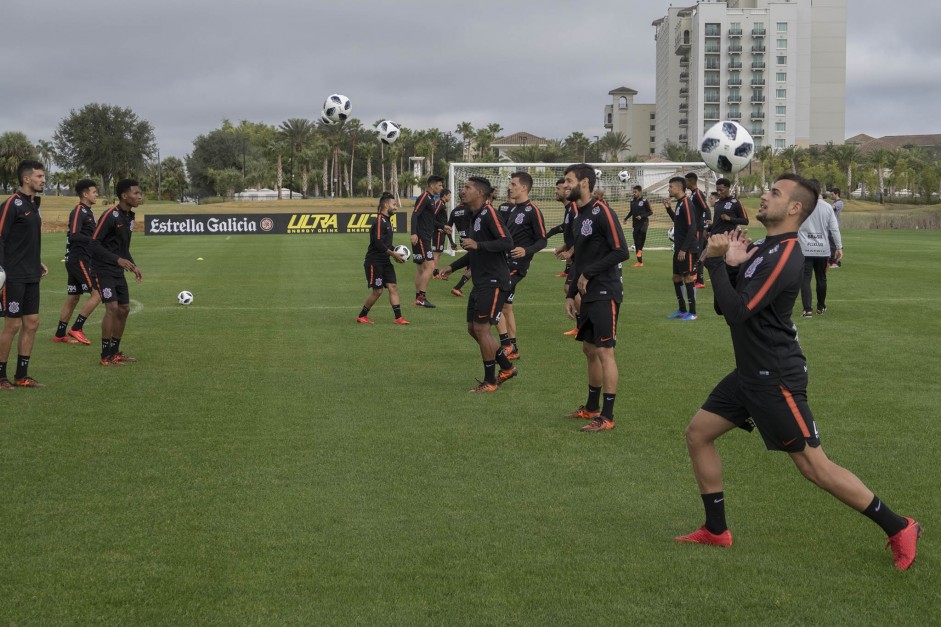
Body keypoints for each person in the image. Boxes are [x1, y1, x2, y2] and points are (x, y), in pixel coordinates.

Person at [676, 173, 921, 571]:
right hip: (748, 373)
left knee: (814, 467)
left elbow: (737, 314)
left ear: (793, 208)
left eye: (774, 192)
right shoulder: (760, 248)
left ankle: (899, 526)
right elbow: (729, 306)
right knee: (698, 434)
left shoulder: (787, 253)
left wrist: (719, 263)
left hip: (775, 377)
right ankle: (716, 530)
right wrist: (733, 268)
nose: (764, 196)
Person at [562, 164, 630, 432]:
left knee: (604, 351)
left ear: (585, 182)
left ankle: (607, 415)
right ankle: (591, 408)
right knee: (589, 349)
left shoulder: (603, 212)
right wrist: (571, 293)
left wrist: (589, 274)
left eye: (569, 181)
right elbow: (579, 257)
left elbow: (621, 250)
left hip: (605, 291)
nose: (566, 185)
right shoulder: (579, 215)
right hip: (587, 294)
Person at [438, 176, 517, 393]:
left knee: (482, 329)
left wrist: (478, 244)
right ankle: (507, 368)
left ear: (480, 193)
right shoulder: (475, 216)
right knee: (473, 329)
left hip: (494, 281)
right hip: (481, 281)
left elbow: (507, 242)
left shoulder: (490, 213)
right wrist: (452, 267)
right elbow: (474, 250)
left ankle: (490, 381)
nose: (463, 191)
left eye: (467, 187)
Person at [53, 179, 135, 345]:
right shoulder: (79, 211)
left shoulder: (88, 212)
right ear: (85, 194)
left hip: (77, 259)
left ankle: (60, 334)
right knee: (97, 293)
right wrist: (94, 240)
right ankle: (77, 328)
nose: (96, 194)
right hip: (80, 259)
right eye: (94, 192)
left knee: (73, 297)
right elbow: (74, 234)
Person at [0, 160, 49, 389]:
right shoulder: (12, 203)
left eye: (43, 176)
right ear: (26, 179)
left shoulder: (33, 205)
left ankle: (21, 376)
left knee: (32, 322)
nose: (43, 180)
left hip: (31, 274)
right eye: (39, 176)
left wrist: (37, 262)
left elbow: (24, 240)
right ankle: (1, 377)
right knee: (12, 325)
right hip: (13, 276)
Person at [495, 172, 547, 361]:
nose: (510, 187)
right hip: (506, 262)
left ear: (524, 187)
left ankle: (505, 345)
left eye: (513, 184)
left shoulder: (533, 210)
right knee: (507, 307)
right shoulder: (513, 209)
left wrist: (526, 251)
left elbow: (543, 240)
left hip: (517, 265)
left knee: (496, 305)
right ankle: (513, 348)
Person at [93, 178, 144, 366]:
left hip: (118, 269)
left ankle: (115, 352)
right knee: (112, 308)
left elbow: (122, 248)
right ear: (124, 196)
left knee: (124, 309)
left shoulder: (130, 217)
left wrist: (133, 265)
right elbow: (94, 244)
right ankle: (105, 355)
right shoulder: (110, 215)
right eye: (136, 193)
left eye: (140, 193)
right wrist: (117, 260)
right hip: (103, 268)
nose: (140, 196)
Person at [357, 192, 410, 325]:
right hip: (374, 262)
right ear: (386, 205)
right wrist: (394, 254)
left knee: (393, 286)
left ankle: (398, 318)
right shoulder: (380, 220)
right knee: (378, 291)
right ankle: (362, 316)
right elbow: (378, 243)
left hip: (385, 261)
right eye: (394, 204)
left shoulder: (387, 221)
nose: (396, 207)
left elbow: (387, 245)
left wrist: (396, 255)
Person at [797, 180, 842, 317]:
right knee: (821, 278)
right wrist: (839, 246)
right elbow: (834, 229)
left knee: (805, 278)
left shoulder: (800, 206)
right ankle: (821, 307)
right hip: (822, 249)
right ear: (819, 190)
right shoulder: (827, 207)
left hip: (804, 248)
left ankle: (807, 309)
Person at [664, 176, 700, 321]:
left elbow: (692, 227)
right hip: (679, 248)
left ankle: (693, 313)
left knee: (688, 278)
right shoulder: (679, 203)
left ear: (679, 188)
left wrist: (684, 249)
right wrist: (668, 209)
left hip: (688, 249)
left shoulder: (687, 203)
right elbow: (679, 223)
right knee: (676, 277)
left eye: (671, 187)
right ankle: (682, 310)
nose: (669, 189)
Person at [546, 178, 580, 335]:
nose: (556, 191)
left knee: (571, 288)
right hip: (575, 255)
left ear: (567, 191)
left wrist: (570, 252)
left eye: (558, 189)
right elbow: (570, 234)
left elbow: (580, 234)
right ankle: (583, 325)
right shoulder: (569, 209)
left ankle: (583, 326)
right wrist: (563, 247)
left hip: (580, 257)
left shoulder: (574, 208)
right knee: (573, 289)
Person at [411, 175, 444, 308]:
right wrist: (413, 233)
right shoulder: (424, 197)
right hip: (422, 237)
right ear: (432, 185)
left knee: (421, 269)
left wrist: (442, 226)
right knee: (430, 267)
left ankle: (417, 298)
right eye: (439, 185)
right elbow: (415, 214)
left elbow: (429, 220)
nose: (441, 188)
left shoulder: (432, 199)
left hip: (424, 237)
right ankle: (421, 297)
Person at [686, 172, 711, 289]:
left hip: (698, 229)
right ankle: (696, 277)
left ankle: (700, 281)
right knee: (696, 254)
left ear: (691, 182)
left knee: (698, 253)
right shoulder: (692, 194)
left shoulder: (698, 193)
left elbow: (706, 208)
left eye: (686, 181)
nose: (685, 183)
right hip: (694, 228)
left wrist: (708, 224)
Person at [447, 192, 473, 297]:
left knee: (474, 262)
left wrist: (452, 243)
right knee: (478, 265)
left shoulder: (454, 211)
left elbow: (448, 229)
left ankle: (468, 265)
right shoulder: (470, 209)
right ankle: (457, 287)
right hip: (472, 241)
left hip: (463, 241)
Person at [623, 185, 652, 267]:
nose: (634, 193)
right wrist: (626, 218)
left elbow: (650, 212)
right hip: (635, 224)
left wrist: (642, 216)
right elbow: (631, 211)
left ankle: (640, 249)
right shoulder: (632, 201)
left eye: (635, 192)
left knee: (643, 232)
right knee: (636, 242)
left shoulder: (645, 201)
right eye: (633, 191)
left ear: (640, 192)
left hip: (644, 222)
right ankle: (640, 262)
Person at [431, 188, 452, 279]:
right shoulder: (439, 203)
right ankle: (434, 274)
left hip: (441, 232)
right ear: (444, 195)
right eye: (449, 195)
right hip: (438, 233)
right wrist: (438, 228)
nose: (450, 197)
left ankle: (435, 272)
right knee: (436, 253)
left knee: (438, 253)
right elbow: (432, 216)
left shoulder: (442, 204)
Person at [828, 188, 844, 268]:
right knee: (830, 244)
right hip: (829, 226)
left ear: (837, 194)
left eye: (832, 194)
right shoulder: (832, 202)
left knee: (834, 245)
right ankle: (831, 260)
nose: (831, 196)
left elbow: (830, 208)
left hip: (834, 226)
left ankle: (836, 262)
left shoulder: (839, 203)